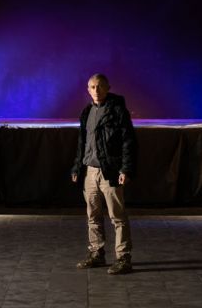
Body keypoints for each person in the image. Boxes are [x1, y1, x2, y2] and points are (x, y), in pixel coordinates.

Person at [71, 73, 137, 275]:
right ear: (87, 90)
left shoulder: (117, 110)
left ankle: (123, 258)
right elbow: (83, 144)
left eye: (99, 86)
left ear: (108, 87)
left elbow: (129, 141)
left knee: (117, 217)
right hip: (90, 172)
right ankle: (97, 254)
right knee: (93, 216)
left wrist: (125, 169)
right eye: (92, 87)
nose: (96, 91)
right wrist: (77, 168)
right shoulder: (87, 112)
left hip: (110, 171)